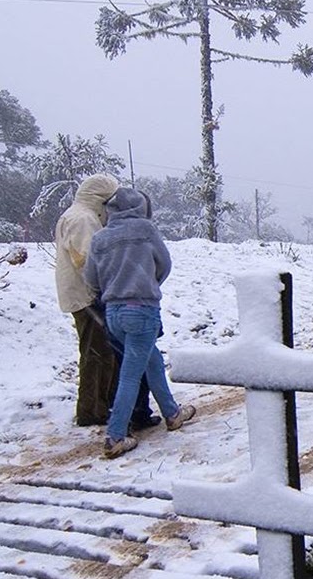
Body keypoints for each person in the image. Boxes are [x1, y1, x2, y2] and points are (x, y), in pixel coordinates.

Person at [84, 187, 196, 459]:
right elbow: (164, 264)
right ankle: (116, 436)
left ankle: (172, 413)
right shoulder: (146, 230)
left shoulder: (100, 238)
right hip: (141, 311)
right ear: (139, 207)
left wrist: (115, 287)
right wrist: (147, 283)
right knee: (131, 374)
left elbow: (90, 278)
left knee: (151, 361)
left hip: (113, 313)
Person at [54, 174, 157, 429]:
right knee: (96, 354)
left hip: (83, 293)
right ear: (101, 199)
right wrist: (107, 288)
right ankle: (92, 410)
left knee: (105, 352)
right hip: (86, 296)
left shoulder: (80, 214)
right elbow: (89, 261)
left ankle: (105, 404)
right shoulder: (84, 219)